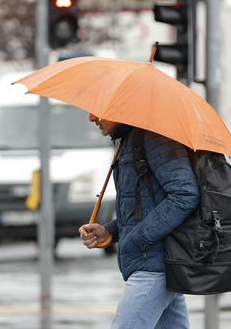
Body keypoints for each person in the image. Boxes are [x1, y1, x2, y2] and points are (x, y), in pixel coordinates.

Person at [78, 114, 199, 328]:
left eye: (98, 110)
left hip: (154, 265)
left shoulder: (154, 138)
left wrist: (139, 238)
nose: (91, 117)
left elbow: (185, 194)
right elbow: (145, 205)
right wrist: (110, 232)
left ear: (120, 108)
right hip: (155, 262)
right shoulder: (130, 139)